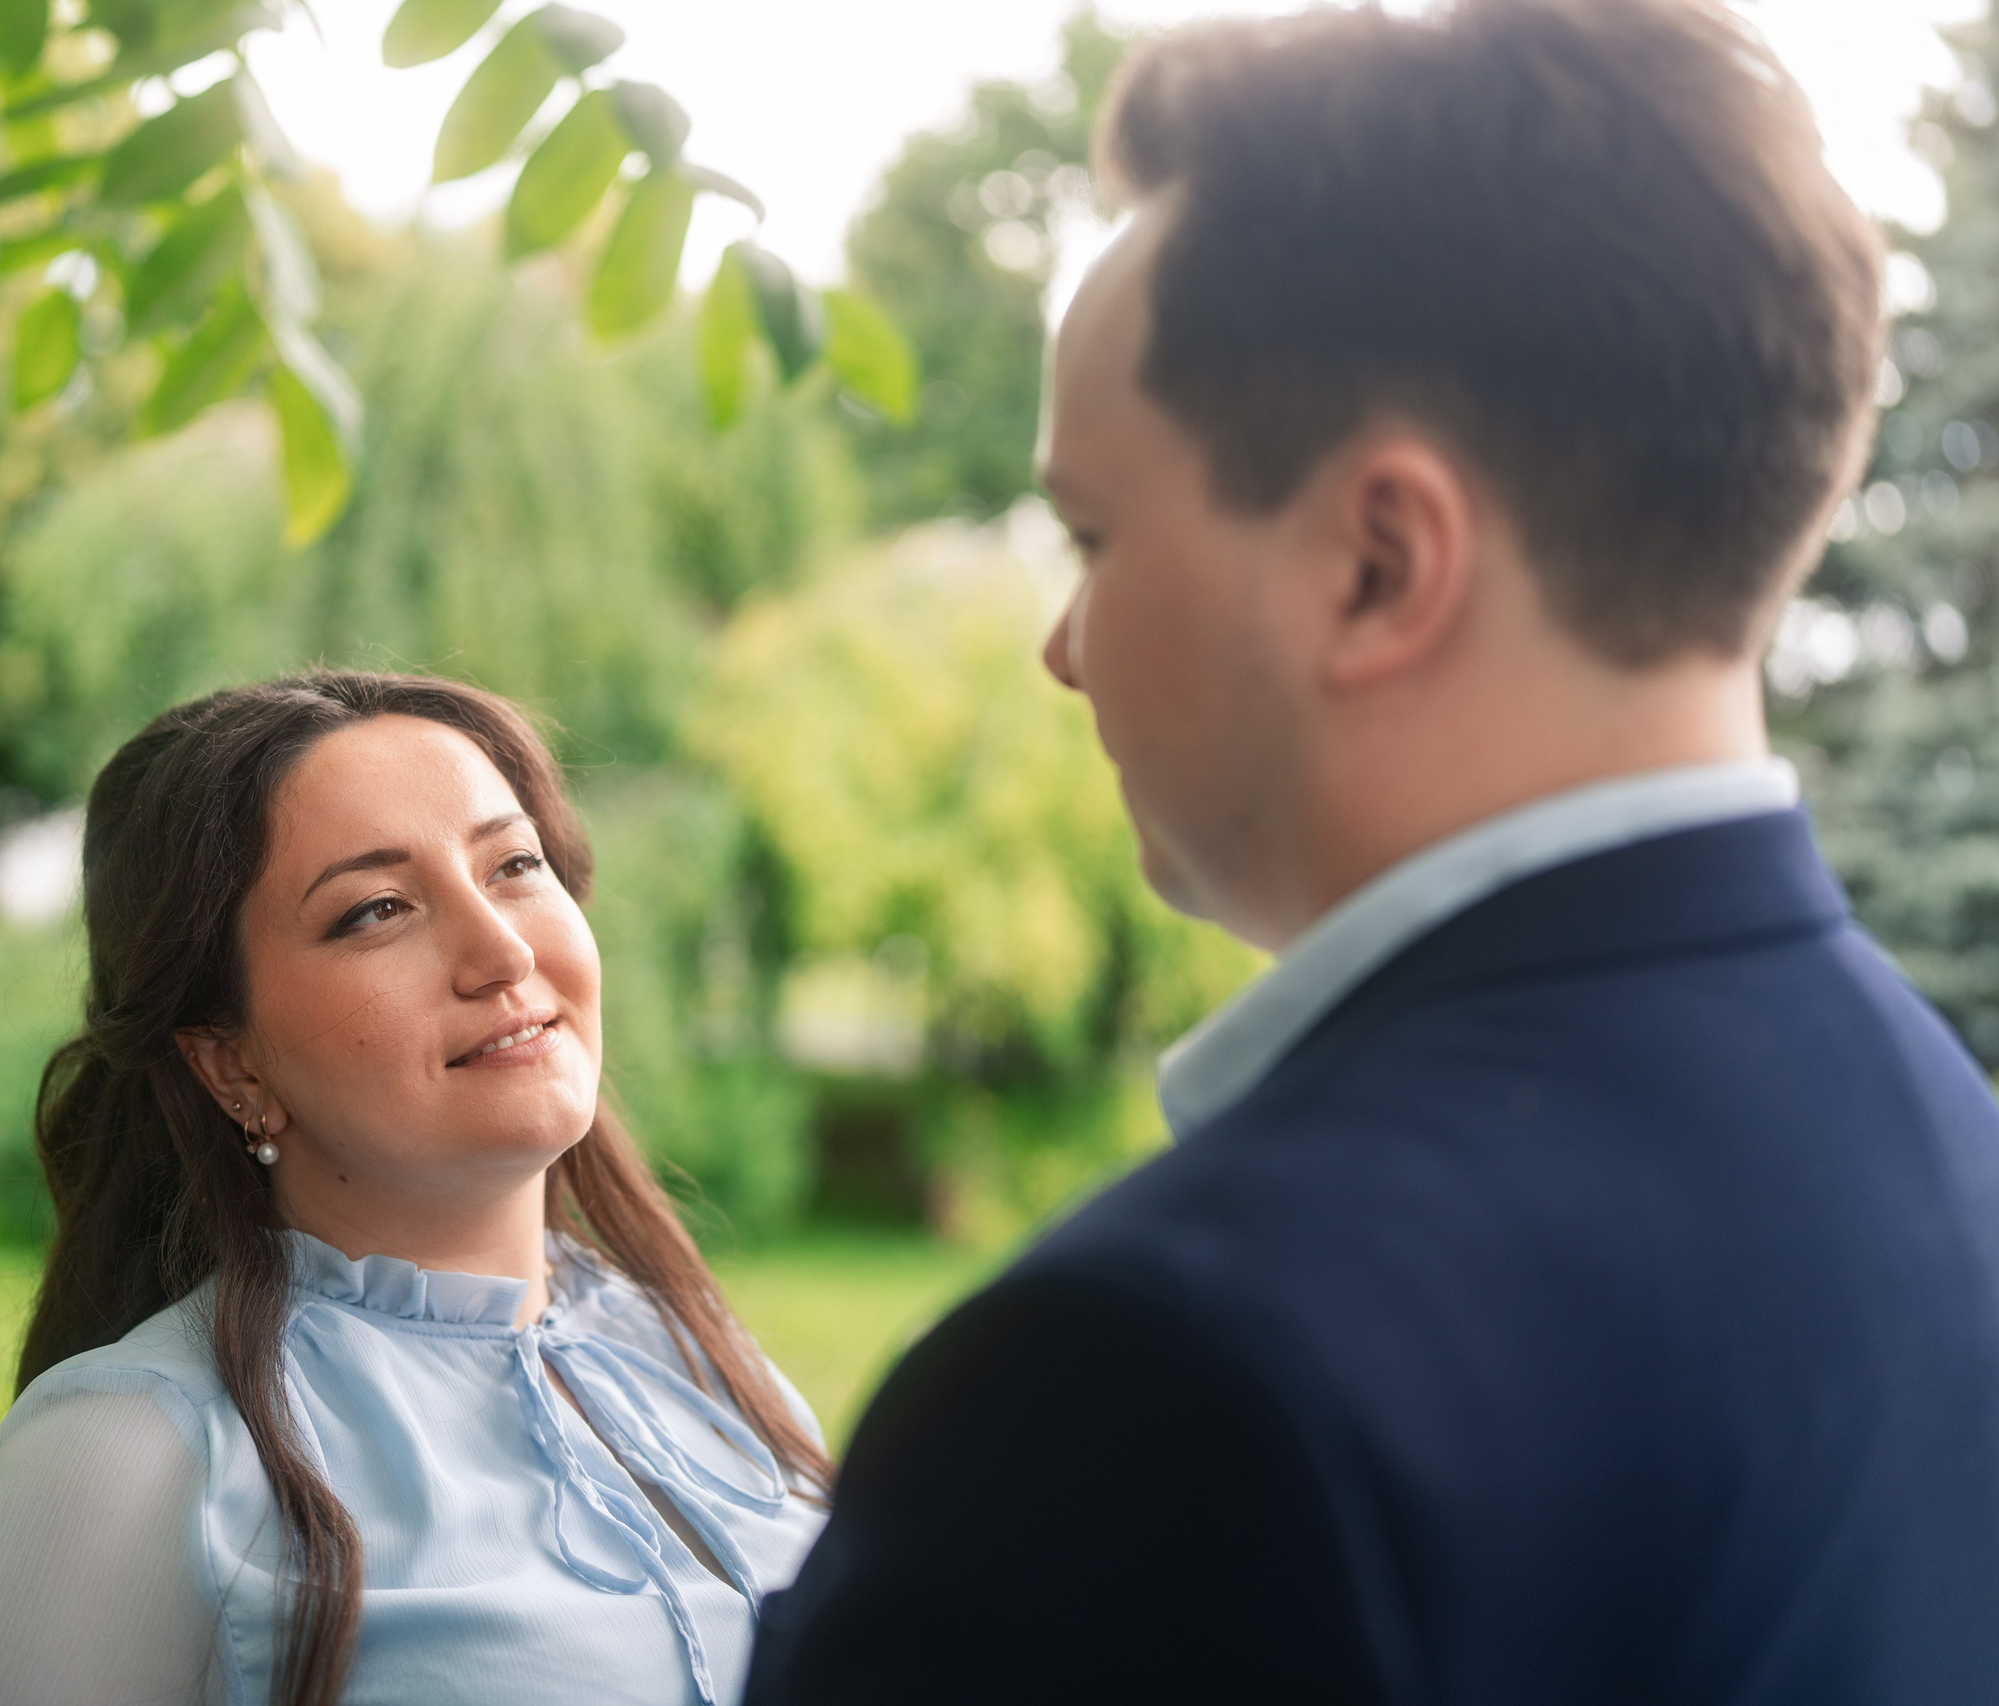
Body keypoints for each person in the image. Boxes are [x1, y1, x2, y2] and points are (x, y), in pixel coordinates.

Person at [747, 1, 1999, 1701]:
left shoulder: (1150, 1390)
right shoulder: (1948, 1146)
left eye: (1095, 534)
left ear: (1378, 563)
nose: (1064, 644)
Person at [0, 672, 830, 1706]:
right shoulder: (125, 1463)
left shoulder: (699, 1360)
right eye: (376, 910)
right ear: (229, 1063)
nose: (501, 950)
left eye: (514, 863)